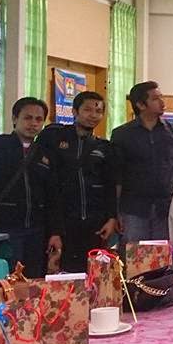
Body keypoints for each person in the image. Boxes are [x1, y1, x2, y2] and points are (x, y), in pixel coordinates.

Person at [37, 91, 117, 273]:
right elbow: (48, 184)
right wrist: (54, 229)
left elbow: (110, 185)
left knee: (92, 274)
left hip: (94, 223)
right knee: (61, 275)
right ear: (74, 111)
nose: (93, 115)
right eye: (87, 110)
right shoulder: (54, 138)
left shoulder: (104, 147)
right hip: (62, 221)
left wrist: (111, 217)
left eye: (98, 111)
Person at [0, 97, 62, 277]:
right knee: (5, 281)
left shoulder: (46, 153)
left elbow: (53, 196)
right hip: (2, 231)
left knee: (33, 281)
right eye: (28, 118)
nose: (33, 123)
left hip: (37, 232)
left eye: (39, 119)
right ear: (14, 119)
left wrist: (55, 232)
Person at [112, 81, 173, 242]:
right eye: (155, 99)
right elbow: (117, 176)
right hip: (133, 209)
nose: (162, 102)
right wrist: (115, 212)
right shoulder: (122, 134)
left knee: (163, 254)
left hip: (167, 207)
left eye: (161, 97)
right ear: (140, 104)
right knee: (135, 254)